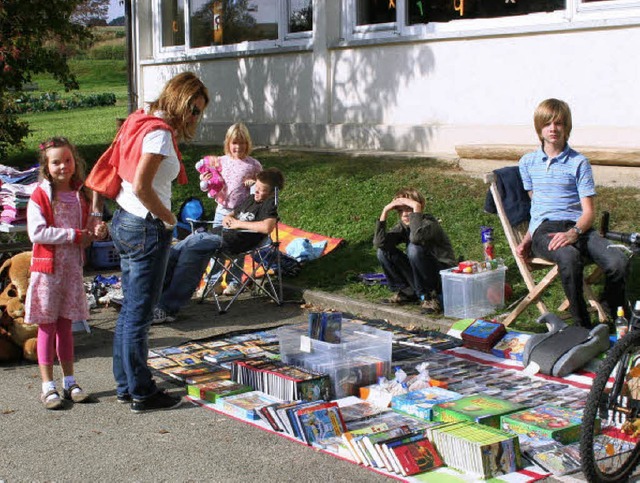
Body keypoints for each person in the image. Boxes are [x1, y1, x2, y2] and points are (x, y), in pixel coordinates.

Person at [93, 72, 209, 413]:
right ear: (177, 99)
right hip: (145, 226)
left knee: (130, 310)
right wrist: (169, 219)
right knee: (140, 314)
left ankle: (126, 386)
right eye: (192, 108)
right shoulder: (158, 134)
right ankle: (143, 391)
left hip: (125, 220)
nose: (193, 117)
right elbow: (143, 186)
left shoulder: (140, 120)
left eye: (198, 112)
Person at [516, 98, 628, 328]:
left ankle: (613, 311)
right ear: (539, 128)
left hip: (578, 227)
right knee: (569, 257)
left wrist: (574, 232)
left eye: (559, 123)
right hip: (546, 230)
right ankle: (582, 326)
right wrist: (528, 238)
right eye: (547, 123)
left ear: (567, 127)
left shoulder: (579, 163)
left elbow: (588, 212)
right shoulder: (527, 163)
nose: (553, 128)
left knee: (618, 261)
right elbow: (537, 206)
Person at [25, 137, 108, 410]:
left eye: (68, 160)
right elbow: (37, 232)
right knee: (47, 327)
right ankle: (47, 385)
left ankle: (70, 381)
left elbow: (88, 229)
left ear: (75, 161)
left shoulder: (80, 194)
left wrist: (96, 231)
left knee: (66, 328)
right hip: (47, 271)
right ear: (47, 167)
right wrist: (74, 235)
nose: (63, 166)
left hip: (71, 271)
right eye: (56, 162)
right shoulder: (40, 195)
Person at [153, 168, 284, 323]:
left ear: (271, 193)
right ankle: (153, 297)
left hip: (229, 243)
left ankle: (167, 308)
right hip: (214, 234)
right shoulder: (250, 199)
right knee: (175, 250)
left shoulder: (268, 205)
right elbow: (231, 214)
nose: (256, 192)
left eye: (262, 191)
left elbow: (267, 227)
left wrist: (237, 224)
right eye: (257, 188)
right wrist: (228, 219)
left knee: (191, 254)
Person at [199, 122, 262, 296]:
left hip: (242, 214)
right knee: (217, 247)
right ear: (228, 143)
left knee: (238, 249)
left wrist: (254, 183)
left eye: (242, 143)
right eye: (235, 143)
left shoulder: (253, 165)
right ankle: (214, 282)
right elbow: (209, 182)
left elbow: (262, 187)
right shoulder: (220, 162)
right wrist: (206, 178)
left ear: (247, 144)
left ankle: (235, 281)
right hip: (222, 210)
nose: (238, 147)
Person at [374, 187, 456, 314]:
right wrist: (385, 211)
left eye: (409, 209)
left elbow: (416, 238)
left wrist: (416, 208)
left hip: (441, 274)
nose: (405, 214)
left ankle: (430, 298)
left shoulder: (429, 224)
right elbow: (380, 243)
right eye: (400, 211)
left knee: (414, 248)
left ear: (419, 208)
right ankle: (407, 292)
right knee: (383, 251)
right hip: (421, 274)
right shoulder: (403, 226)